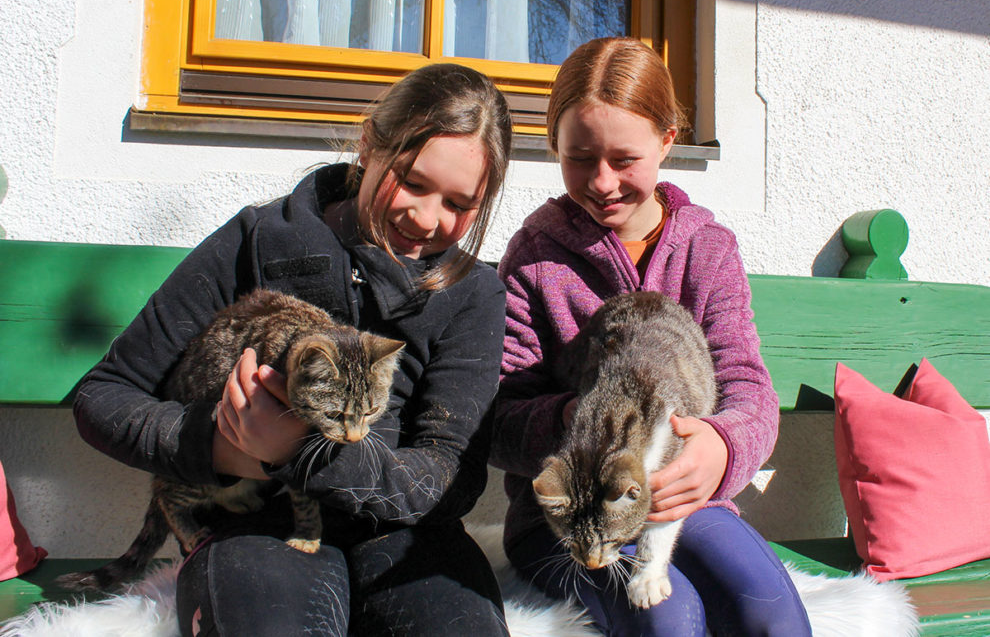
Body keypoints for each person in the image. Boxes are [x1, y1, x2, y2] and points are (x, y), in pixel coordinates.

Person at [72, 63, 513, 637]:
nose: (427, 218)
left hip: (408, 536)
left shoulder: (473, 294)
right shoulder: (257, 240)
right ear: (368, 142)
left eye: (460, 203)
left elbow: (449, 475)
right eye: (411, 180)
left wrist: (296, 450)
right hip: (258, 525)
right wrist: (230, 451)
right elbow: (103, 397)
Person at [490, 37, 812, 636]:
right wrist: (589, 426)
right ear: (554, 145)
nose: (603, 181)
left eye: (623, 158)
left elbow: (747, 385)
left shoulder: (705, 250)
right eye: (580, 158)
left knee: (773, 617)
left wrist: (720, 447)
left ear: (668, 139)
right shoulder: (535, 259)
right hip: (567, 523)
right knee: (667, 620)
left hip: (687, 504)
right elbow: (499, 418)